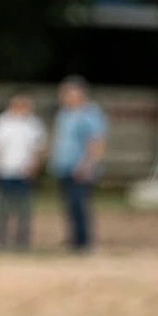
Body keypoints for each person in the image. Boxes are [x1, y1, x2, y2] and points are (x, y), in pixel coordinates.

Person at [0, 90, 47, 250]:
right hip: (4, 170)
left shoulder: (34, 124)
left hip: (24, 173)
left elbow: (40, 149)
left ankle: (22, 242)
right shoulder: (0, 123)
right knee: (2, 207)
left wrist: (35, 166)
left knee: (24, 209)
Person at [48, 75, 107, 253]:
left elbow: (96, 141)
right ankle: (73, 240)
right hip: (64, 166)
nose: (64, 96)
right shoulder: (64, 114)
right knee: (69, 205)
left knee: (79, 204)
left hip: (81, 168)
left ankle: (84, 242)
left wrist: (87, 165)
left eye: (67, 92)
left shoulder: (90, 114)